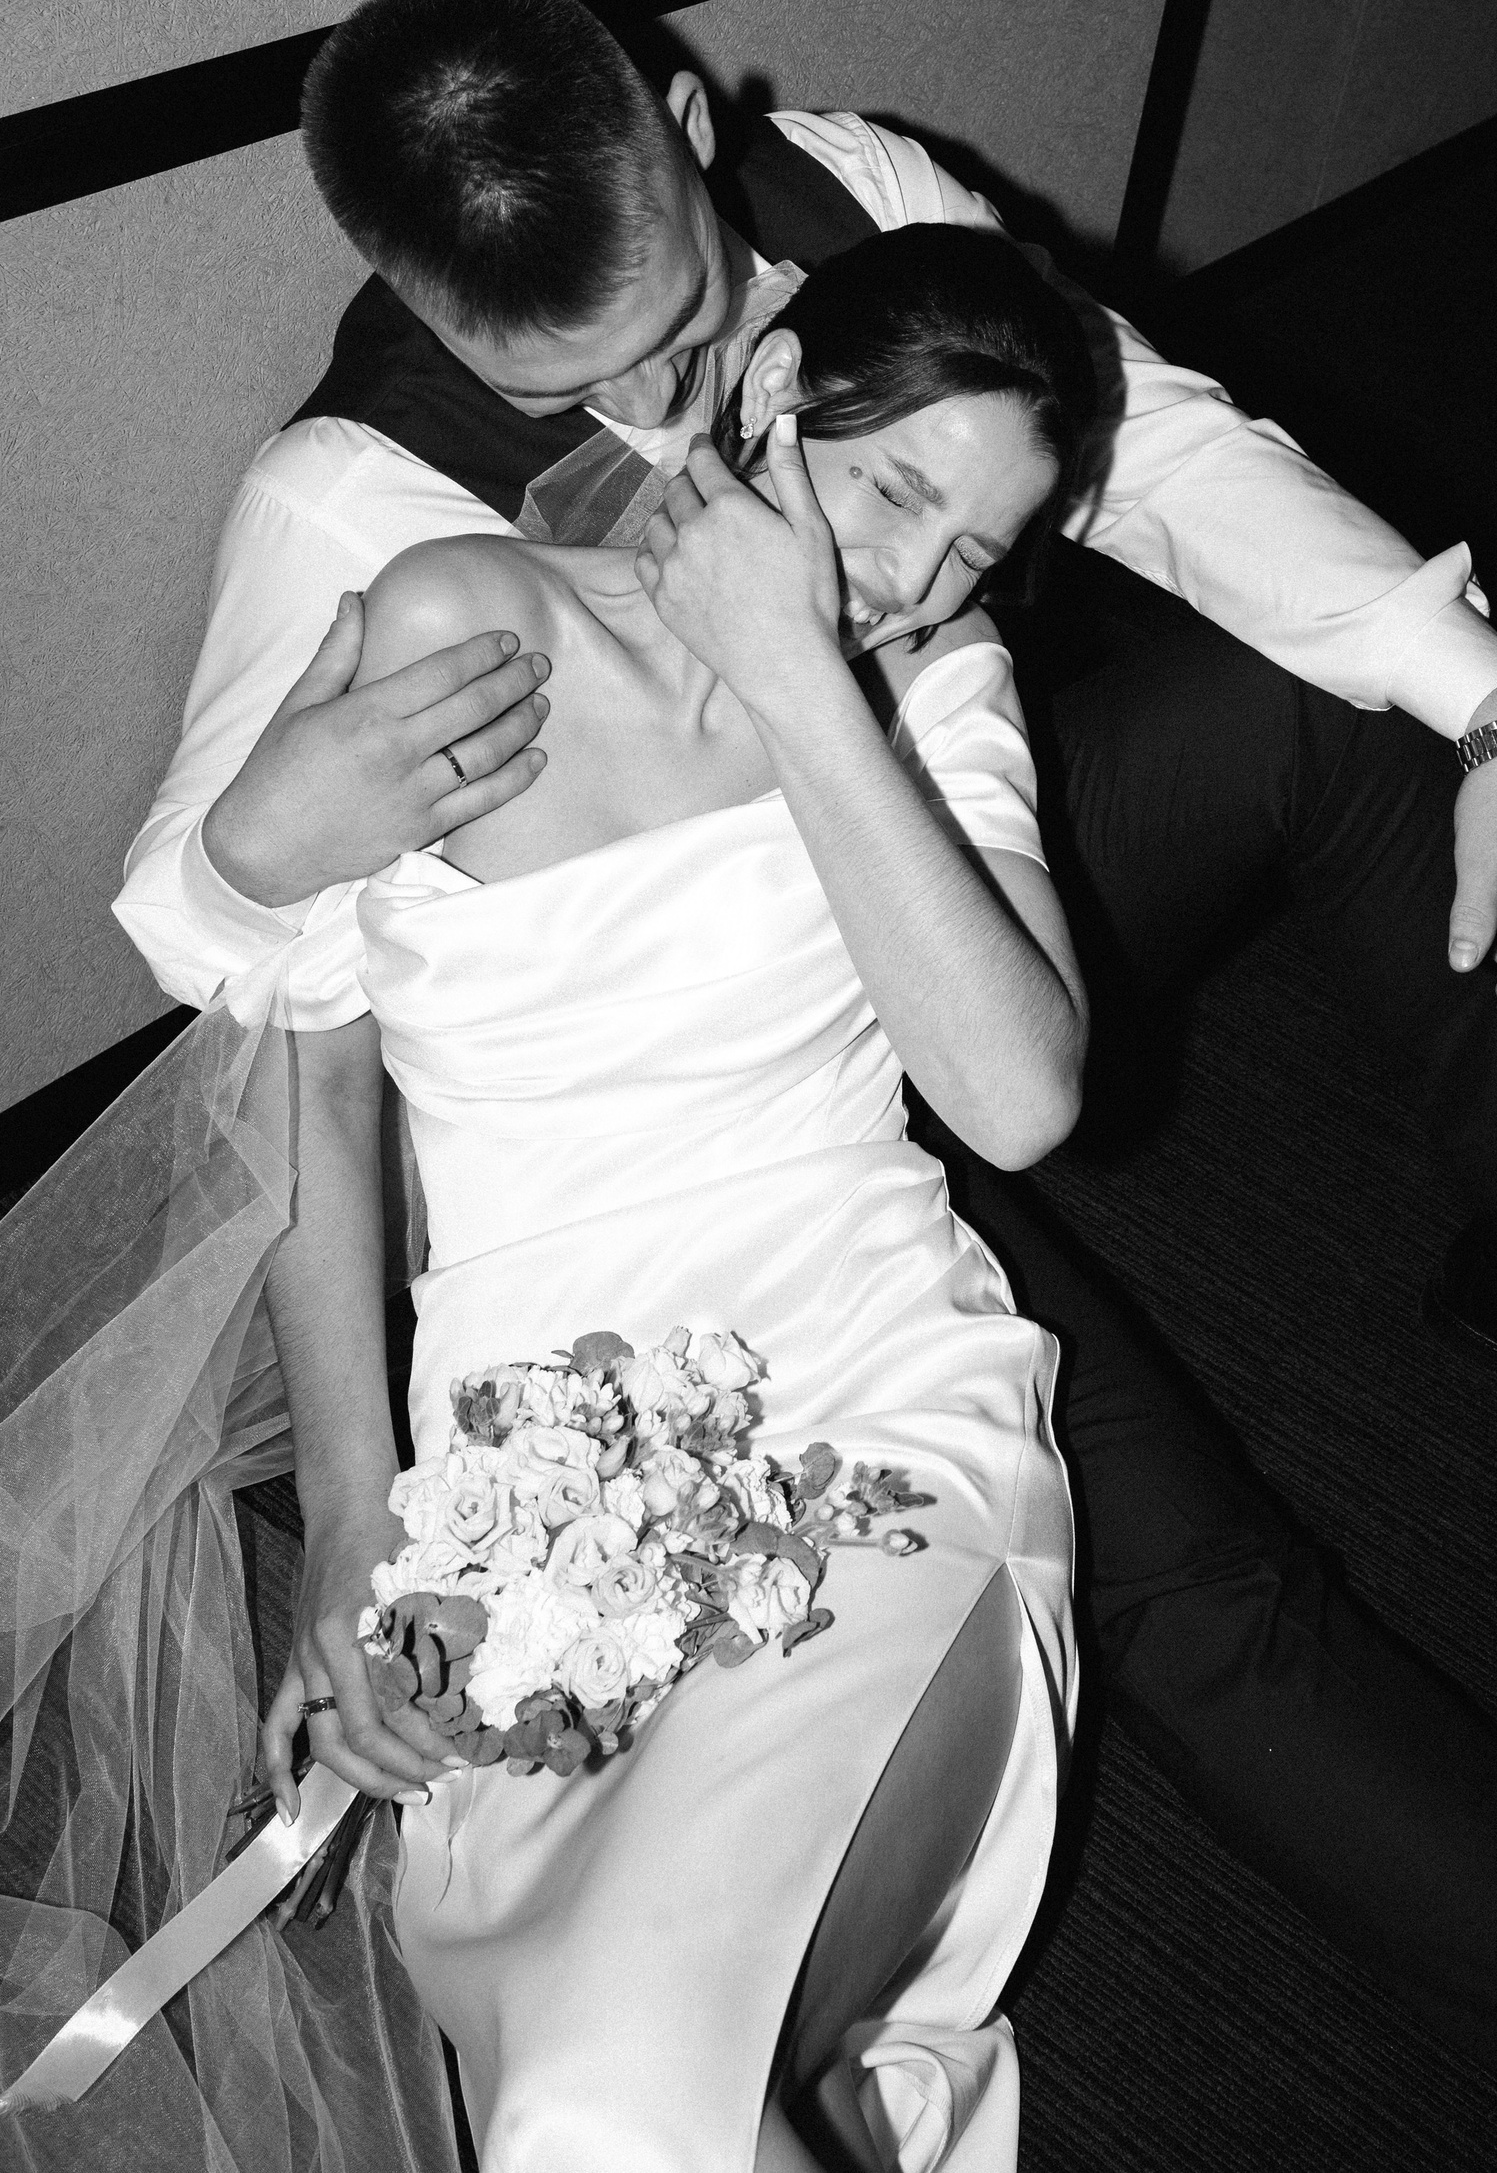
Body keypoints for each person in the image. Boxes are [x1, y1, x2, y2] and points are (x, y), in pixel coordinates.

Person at [106, 0, 1497, 2173]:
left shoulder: (855, 198)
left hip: (930, 895)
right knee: (1195, 1571)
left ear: (687, 126)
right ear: (426, 310)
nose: (670, 413)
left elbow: (1166, 460)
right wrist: (264, 842)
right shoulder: (354, 507)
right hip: (621, 1098)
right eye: (579, 385)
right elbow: (247, 961)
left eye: (684, 332)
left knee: (1347, 715)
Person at [247, 232, 1094, 2168]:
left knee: (618, 2097)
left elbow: (1019, 1098)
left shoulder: (934, 694)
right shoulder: (471, 617)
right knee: (600, 2082)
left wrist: (804, 676)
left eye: (973, 550)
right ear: (773, 390)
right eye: (892, 492)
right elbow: (310, 1068)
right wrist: (354, 1515)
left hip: (878, 1418)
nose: (911, 578)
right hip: (527, 1476)